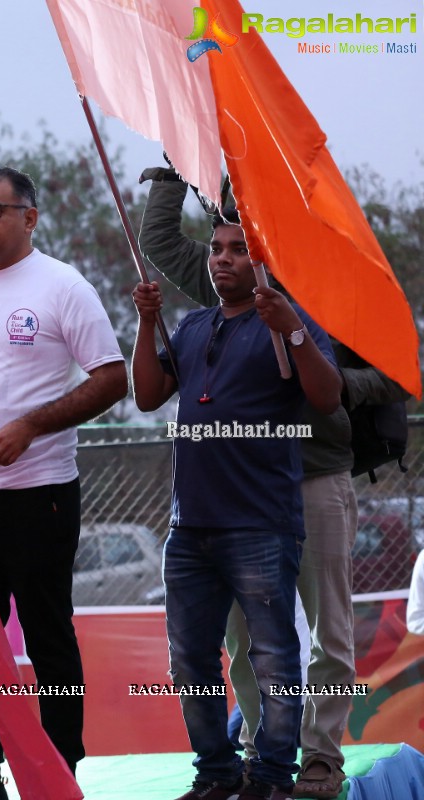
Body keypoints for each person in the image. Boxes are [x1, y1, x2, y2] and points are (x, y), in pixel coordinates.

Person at [138, 168, 409, 798]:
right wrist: (176, 169)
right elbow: (157, 240)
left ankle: (321, 756)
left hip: (313, 477)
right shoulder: (222, 300)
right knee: (241, 643)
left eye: (249, 230)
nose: (232, 246)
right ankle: (266, 756)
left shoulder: (334, 283)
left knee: (328, 631)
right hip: (233, 501)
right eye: (225, 233)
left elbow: (400, 372)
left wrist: (331, 388)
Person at [0, 167, 127, 797]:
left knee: (47, 636)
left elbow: (110, 378)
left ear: (30, 217)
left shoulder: (63, 285)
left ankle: (59, 770)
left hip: (41, 493)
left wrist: (31, 426)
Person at [131, 209, 342, 800]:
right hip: (189, 527)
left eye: (236, 250)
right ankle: (217, 772)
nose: (221, 258)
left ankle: (273, 776)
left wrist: (293, 330)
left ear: (264, 262)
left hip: (259, 522)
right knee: (190, 660)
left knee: (273, 655)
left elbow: (327, 399)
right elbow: (147, 395)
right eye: (216, 249)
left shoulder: (287, 322)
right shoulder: (195, 325)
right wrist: (148, 324)